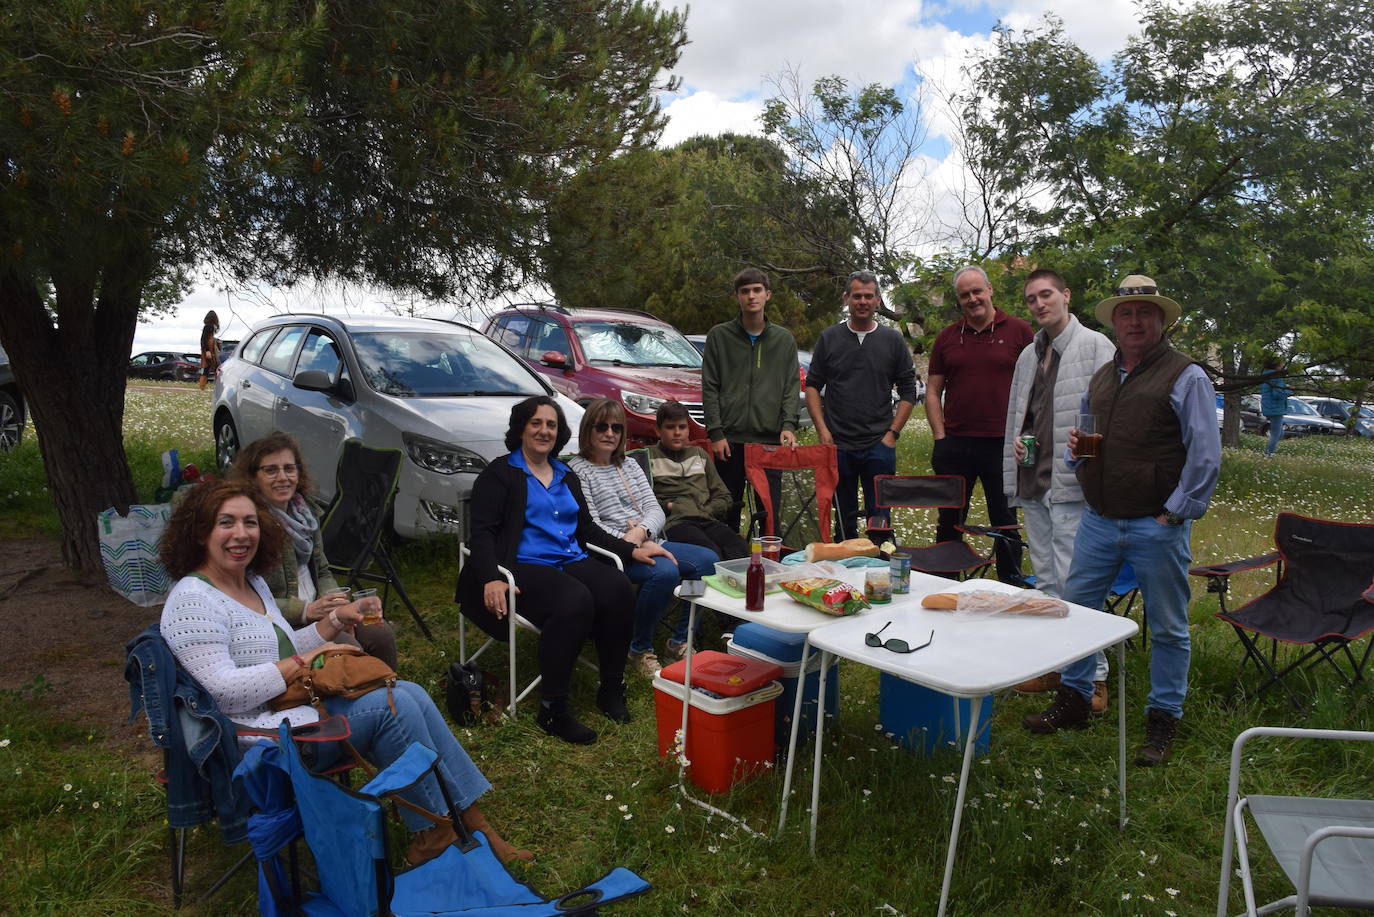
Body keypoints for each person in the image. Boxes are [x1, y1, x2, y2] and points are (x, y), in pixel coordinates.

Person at [158, 479, 529, 864]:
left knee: (411, 693)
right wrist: (302, 662)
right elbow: (221, 693)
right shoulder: (193, 601)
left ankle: (468, 822)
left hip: (290, 710)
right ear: (199, 532)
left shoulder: (250, 583)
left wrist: (336, 620)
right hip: (256, 740)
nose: (241, 533)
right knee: (394, 707)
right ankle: (441, 828)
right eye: (226, 523)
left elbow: (282, 646)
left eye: (250, 522)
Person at [1022, 274, 1221, 767]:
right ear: (1115, 321)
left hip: (1156, 524)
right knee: (1077, 611)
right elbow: (1084, 442)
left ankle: (1163, 718)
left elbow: (1205, 456)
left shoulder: (1186, 375)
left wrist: (1175, 512)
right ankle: (1075, 699)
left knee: (1169, 627)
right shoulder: (1103, 377)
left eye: (1144, 313)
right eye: (1125, 314)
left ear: (1160, 320)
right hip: (1099, 520)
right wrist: (1076, 454)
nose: (1134, 321)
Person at [455, 396, 672, 745]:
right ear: (521, 428)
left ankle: (611, 688)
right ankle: (553, 709)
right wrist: (490, 577)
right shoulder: (500, 474)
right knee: (574, 600)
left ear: (559, 432)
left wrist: (631, 550)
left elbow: (588, 530)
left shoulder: (565, 474)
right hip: (522, 564)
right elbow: (482, 534)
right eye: (536, 423)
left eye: (551, 425)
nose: (544, 431)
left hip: (570, 558)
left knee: (617, 588)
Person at [1002, 269, 1117, 712]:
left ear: (1066, 295)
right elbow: (1022, 413)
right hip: (1034, 477)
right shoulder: (1028, 354)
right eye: (1031, 299)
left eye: (1046, 294)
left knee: (1076, 584)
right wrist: (1018, 441)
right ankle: (1059, 666)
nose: (1039, 304)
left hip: (1072, 484)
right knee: (1047, 582)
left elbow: (1112, 414)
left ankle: (1095, 678)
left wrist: (1093, 454)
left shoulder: (1096, 346)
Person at [567, 399, 720, 677]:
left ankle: (680, 638)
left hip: (647, 539)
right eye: (602, 427)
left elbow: (654, 508)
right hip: (611, 552)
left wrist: (642, 533)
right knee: (664, 572)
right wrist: (631, 543)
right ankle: (639, 647)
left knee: (707, 562)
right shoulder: (578, 471)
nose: (610, 433)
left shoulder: (628, 464)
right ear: (588, 429)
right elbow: (592, 526)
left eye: (616, 428)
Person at [231, 431, 398, 670]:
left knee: (380, 634)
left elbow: (321, 570)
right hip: (283, 623)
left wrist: (337, 603)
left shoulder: (304, 513)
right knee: (350, 650)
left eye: (289, 468)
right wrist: (306, 611)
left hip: (320, 610)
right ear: (252, 477)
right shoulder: (249, 527)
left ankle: (390, 688)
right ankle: (363, 691)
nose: (283, 477)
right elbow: (242, 600)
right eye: (270, 470)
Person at [925, 266, 1033, 582]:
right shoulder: (947, 337)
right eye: (965, 295)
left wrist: (1027, 432)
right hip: (956, 444)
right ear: (959, 300)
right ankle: (945, 585)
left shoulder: (1020, 331)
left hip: (1003, 444)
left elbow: (1035, 386)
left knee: (1006, 522)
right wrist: (940, 436)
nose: (972, 299)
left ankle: (1011, 584)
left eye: (977, 291)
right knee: (949, 521)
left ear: (990, 290)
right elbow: (932, 391)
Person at [804, 270, 919, 540]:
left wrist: (892, 434)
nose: (863, 302)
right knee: (843, 522)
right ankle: (846, 562)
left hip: (878, 444)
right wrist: (822, 431)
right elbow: (812, 386)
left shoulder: (892, 340)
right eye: (857, 296)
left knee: (880, 522)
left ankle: (880, 560)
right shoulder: (829, 337)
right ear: (846, 299)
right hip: (838, 444)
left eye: (869, 296)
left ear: (878, 300)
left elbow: (908, 391)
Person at [701, 267, 800, 533]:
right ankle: (728, 555)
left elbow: (791, 388)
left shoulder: (784, 340)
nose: (751, 296)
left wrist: (788, 425)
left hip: (769, 442)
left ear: (768, 294)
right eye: (745, 291)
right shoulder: (719, 336)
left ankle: (769, 556)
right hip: (729, 442)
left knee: (770, 513)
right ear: (737, 296)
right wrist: (715, 432)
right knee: (726, 510)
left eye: (757, 290)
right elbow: (710, 387)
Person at [645, 400, 748, 562]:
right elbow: (639, 501)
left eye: (682, 427)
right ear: (658, 430)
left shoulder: (699, 454)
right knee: (711, 553)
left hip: (707, 519)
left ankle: (729, 579)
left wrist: (708, 510)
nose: (677, 432)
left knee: (739, 547)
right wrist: (669, 507)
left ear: (688, 430)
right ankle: (700, 580)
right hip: (674, 523)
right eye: (670, 427)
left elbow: (723, 496)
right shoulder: (647, 457)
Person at [1259, 359, 1291, 456]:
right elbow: (1278, 394)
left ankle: (1270, 451)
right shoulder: (1277, 378)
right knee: (1276, 434)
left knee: (1280, 433)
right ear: (1276, 366)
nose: (1282, 366)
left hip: (1268, 407)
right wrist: (1289, 390)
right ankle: (1269, 453)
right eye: (1281, 364)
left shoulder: (1265, 377)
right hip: (1276, 408)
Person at [197, 310, 220, 392]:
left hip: (211, 349)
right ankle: (202, 387)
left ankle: (203, 387)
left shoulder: (210, 326)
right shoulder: (208, 326)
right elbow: (203, 339)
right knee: (208, 368)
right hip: (209, 350)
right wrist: (207, 351)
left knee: (212, 367)